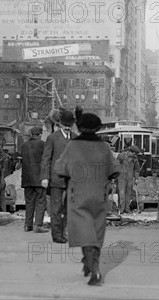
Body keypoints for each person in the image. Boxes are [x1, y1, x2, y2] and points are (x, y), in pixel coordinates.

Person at [55, 113, 120, 286]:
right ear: (98, 128)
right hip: (99, 195)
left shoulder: (72, 146)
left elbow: (60, 169)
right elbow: (114, 170)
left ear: (79, 127)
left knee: (84, 231)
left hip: (78, 195)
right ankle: (92, 264)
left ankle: (93, 268)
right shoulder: (104, 147)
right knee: (96, 231)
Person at [41, 110, 75, 243]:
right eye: (65, 125)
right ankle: (57, 235)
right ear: (60, 124)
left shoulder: (76, 137)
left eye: (69, 125)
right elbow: (46, 159)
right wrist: (44, 177)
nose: (67, 128)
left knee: (69, 208)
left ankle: (65, 233)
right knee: (55, 209)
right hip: (56, 179)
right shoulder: (52, 138)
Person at [21, 126, 48, 233]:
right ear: (40, 134)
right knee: (41, 202)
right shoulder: (42, 144)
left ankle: (27, 225)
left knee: (29, 202)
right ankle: (38, 225)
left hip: (27, 179)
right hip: (39, 179)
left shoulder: (24, 145)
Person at [116, 138, 141, 214]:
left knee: (128, 194)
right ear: (130, 151)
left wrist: (136, 178)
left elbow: (137, 169)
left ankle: (127, 209)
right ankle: (121, 209)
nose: (135, 156)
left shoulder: (135, 159)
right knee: (122, 193)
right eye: (134, 154)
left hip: (130, 178)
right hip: (121, 178)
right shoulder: (121, 156)